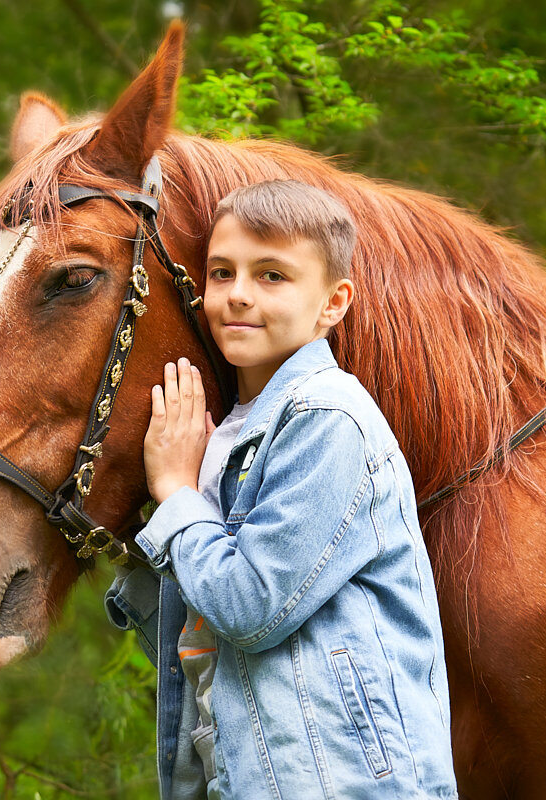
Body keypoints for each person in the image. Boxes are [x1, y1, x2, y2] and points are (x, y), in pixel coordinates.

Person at [105, 180, 457, 800]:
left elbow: (247, 605)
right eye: (221, 273)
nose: (238, 295)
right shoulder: (227, 436)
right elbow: (195, 634)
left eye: (272, 276)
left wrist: (175, 491)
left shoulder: (328, 417)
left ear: (332, 302)